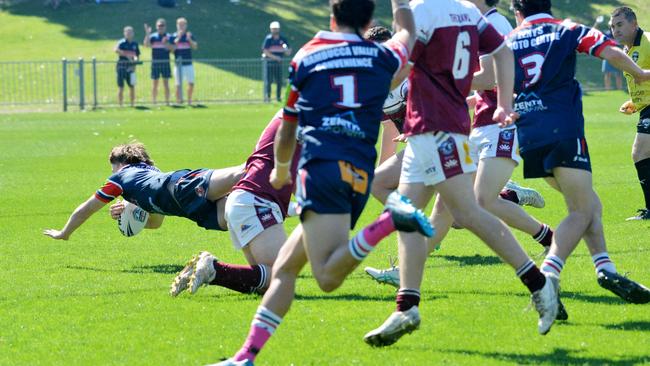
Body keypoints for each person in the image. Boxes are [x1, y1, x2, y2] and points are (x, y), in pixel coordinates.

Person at [212, 1, 427, 364]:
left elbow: (288, 124)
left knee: (326, 277)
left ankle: (388, 222)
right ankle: (245, 356)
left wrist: (281, 169)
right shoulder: (382, 56)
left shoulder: (308, 56)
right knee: (284, 270)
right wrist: (401, 4)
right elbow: (407, 31)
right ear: (370, 21)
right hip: (357, 173)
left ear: (332, 17)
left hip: (322, 168)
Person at [364, 0, 561, 347]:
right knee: (408, 215)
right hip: (431, 128)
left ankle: (538, 283)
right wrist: (504, 104)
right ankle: (407, 306)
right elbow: (502, 51)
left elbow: (398, 66)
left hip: (436, 128)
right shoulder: (467, 11)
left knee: (470, 212)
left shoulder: (420, 11)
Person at [504, 0, 650, 313]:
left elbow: (485, 76)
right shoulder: (566, 28)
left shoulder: (510, 38)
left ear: (518, 12)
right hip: (562, 129)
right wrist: (638, 73)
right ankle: (547, 280)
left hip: (528, 136)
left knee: (589, 204)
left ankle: (605, 267)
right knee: (582, 211)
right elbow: (609, 51)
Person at [170, 110, 302, 296]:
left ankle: (212, 272)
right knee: (284, 279)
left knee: (267, 286)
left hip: (246, 199)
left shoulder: (290, 117)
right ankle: (212, 268)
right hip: (256, 200)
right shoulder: (302, 118)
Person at [611, 7, 650, 221]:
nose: (615, 30)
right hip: (646, 108)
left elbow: (644, 77)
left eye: (619, 25)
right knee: (644, 154)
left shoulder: (647, 41)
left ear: (634, 24)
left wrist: (644, 76)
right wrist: (635, 103)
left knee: (639, 152)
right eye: (612, 27)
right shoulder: (627, 51)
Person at [144, 19, 174, 105]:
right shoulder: (153, 36)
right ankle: (154, 102)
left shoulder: (169, 36)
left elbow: (173, 49)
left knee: (166, 84)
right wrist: (147, 34)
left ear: (165, 27)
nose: (160, 27)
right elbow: (146, 45)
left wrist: (166, 43)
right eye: (159, 26)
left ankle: (167, 102)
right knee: (155, 84)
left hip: (165, 63)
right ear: (156, 27)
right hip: (155, 63)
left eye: (162, 25)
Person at [261, 21, 292, 102]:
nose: (275, 31)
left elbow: (289, 50)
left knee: (279, 81)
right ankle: (268, 98)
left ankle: (278, 97)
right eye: (273, 29)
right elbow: (265, 51)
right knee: (269, 81)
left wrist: (286, 51)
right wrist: (275, 57)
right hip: (269, 63)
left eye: (276, 29)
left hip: (279, 64)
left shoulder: (283, 39)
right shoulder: (268, 39)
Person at [171, 17, 198, 105]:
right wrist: (178, 38)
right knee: (178, 84)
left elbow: (195, 47)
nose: (181, 27)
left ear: (186, 26)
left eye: (183, 25)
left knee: (191, 82)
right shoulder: (174, 36)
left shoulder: (189, 35)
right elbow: (172, 50)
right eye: (180, 25)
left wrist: (189, 39)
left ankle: (189, 101)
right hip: (178, 65)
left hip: (188, 63)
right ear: (177, 26)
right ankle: (179, 101)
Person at [114, 26, 140, 107]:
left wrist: (135, 62)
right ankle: (120, 105)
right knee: (121, 87)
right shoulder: (121, 43)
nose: (128, 34)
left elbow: (137, 55)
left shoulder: (135, 44)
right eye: (127, 32)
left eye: (130, 32)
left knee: (132, 86)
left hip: (131, 68)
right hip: (121, 67)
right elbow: (116, 50)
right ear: (124, 33)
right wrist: (127, 55)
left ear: (133, 33)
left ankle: (132, 104)